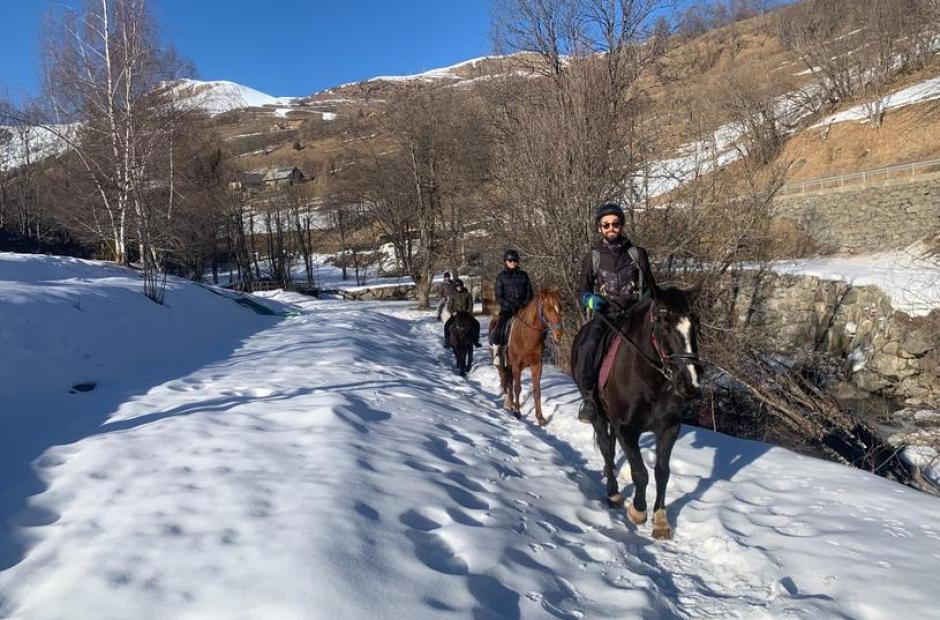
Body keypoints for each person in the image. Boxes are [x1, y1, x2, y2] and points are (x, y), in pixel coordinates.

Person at [574, 203, 656, 424]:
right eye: (606, 225)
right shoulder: (592, 258)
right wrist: (590, 300)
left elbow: (651, 287)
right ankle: (590, 400)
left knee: (665, 344)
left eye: (615, 224)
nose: (611, 228)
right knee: (587, 346)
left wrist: (648, 299)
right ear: (600, 228)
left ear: (622, 225)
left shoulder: (637, 254)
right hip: (606, 315)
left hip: (635, 315)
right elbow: (582, 289)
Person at [489, 249, 533, 364]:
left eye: (515, 260)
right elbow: (499, 296)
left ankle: (542, 349)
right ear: (505, 262)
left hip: (523, 309)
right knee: (498, 329)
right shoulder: (501, 277)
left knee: (538, 325)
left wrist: (524, 303)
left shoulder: (524, 275)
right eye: (510, 260)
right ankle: (498, 352)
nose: (512, 262)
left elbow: (530, 292)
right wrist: (509, 305)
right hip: (507, 310)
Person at [443, 279, 481, 347]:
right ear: (455, 287)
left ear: (462, 286)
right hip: (456, 315)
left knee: (476, 324)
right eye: (457, 286)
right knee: (447, 325)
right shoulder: (453, 295)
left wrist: (468, 313)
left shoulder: (467, 294)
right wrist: (453, 312)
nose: (459, 287)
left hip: (466, 315)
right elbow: (449, 306)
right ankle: (447, 341)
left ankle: (475, 341)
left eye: (460, 286)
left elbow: (470, 305)